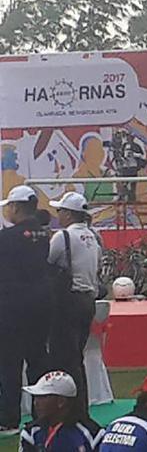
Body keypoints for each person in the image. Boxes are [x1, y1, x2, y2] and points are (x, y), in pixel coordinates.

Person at [0, 185, 53, 433]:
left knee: (9, 365)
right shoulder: (45, 235)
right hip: (41, 306)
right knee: (37, 363)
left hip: (11, 307)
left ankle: (9, 418)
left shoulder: (7, 238)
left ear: (16, 207)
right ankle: (40, 416)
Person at [46, 192, 102, 418]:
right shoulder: (94, 237)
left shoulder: (63, 237)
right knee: (76, 356)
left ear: (68, 214)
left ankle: (74, 409)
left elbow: (47, 262)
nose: (58, 214)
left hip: (68, 301)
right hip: (88, 301)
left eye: (60, 210)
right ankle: (79, 406)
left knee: (65, 358)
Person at [19, 370, 102, 452]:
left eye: (43, 397)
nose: (35, 403)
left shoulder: (93, 434)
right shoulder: (31, 433)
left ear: (61, 401)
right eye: (36, 397)